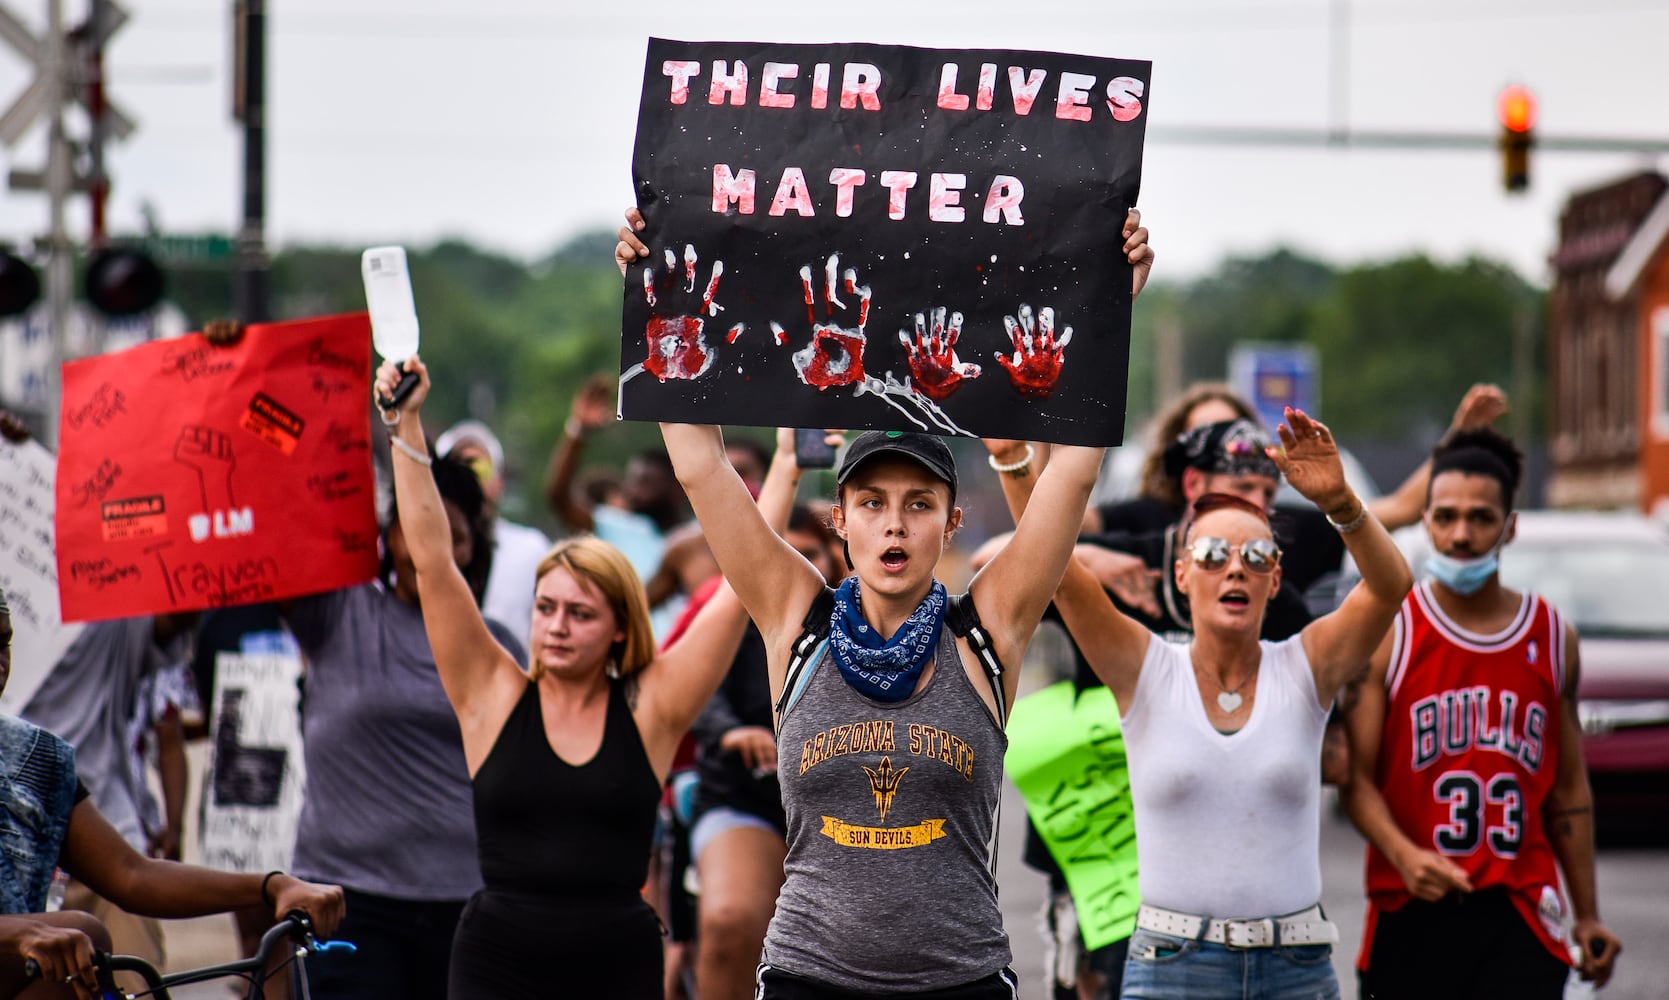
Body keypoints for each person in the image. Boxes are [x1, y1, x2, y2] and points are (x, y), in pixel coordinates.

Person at [638, 199, 1153, 995]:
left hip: (960, 978)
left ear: (950, 523)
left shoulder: (988, 627)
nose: (894, 525)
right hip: (810, 976)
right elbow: (700, 468)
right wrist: (657, 293)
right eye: (872, 503)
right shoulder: (794, 616)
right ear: (839, 519)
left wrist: (1108, 307)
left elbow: (1073, 475)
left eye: (918, 505)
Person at [374, 356, 801, 999]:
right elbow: (433, 564)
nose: (555, 627)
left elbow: (739, 588)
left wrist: (789, 465)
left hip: (616, 961)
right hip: (496, 959)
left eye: (580, 613)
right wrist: (404, 426)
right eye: (546, 608)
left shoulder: (651, 706)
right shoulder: (491, 692)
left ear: (621, 627)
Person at [989, 407, 1412, 1000]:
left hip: (1296, 965)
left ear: (1274, 577)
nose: (1235, 568)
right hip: (1171, 965)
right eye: (1214, 556)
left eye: (1256, 558)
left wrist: (1342, 503)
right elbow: (1056, 569)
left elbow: (1390, 587)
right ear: (1183, 574)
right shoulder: (1146, 669)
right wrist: (1013, 461)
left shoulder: (1306, 665)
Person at [1341, 428, 1621, 999]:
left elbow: (1569, 790)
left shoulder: (1550, 634)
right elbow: (1355, 782)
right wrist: (1403, 854)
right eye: (1444, 517)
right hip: (1412, 904)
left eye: (1480, 518)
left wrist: (1588, 914)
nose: (1461, 534)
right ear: (1425, 521)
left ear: (1510, 526)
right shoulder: (1392, 630)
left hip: (1519, 908)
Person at [0, 585, 345, 999]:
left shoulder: (35, 759)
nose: (1, 665)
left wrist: (272, 885)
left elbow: (131, 874)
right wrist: (18, 931)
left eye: (4, 644)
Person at [282, 445, 525, 1000]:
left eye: (449, 537)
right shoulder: (337, 612)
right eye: (413, 531)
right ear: (388, 537)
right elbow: (279, 525)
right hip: (346, 904)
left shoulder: (497, 648)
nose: (427, 551)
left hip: (469, 907)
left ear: (469, 550)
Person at [688, 501, 841, 1000]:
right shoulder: (731, 608)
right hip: (745, 797)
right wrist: (732, 732)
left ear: (837, 556)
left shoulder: (867, 619)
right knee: (731, 919)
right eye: (786, 554)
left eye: (811, 555)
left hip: (844, 810)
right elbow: (693, 684)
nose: (797, 569)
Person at [19, 613, 200, 975]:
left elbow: (169, 730)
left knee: (134, 980)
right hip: (19, 854)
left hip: (107, 842)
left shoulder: (107, 604)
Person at [436, 419, 552, 635]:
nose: (469, 479)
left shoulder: (533, 550)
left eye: (479, 468)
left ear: (499, 481)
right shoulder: (416, 549)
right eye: (458, 470)